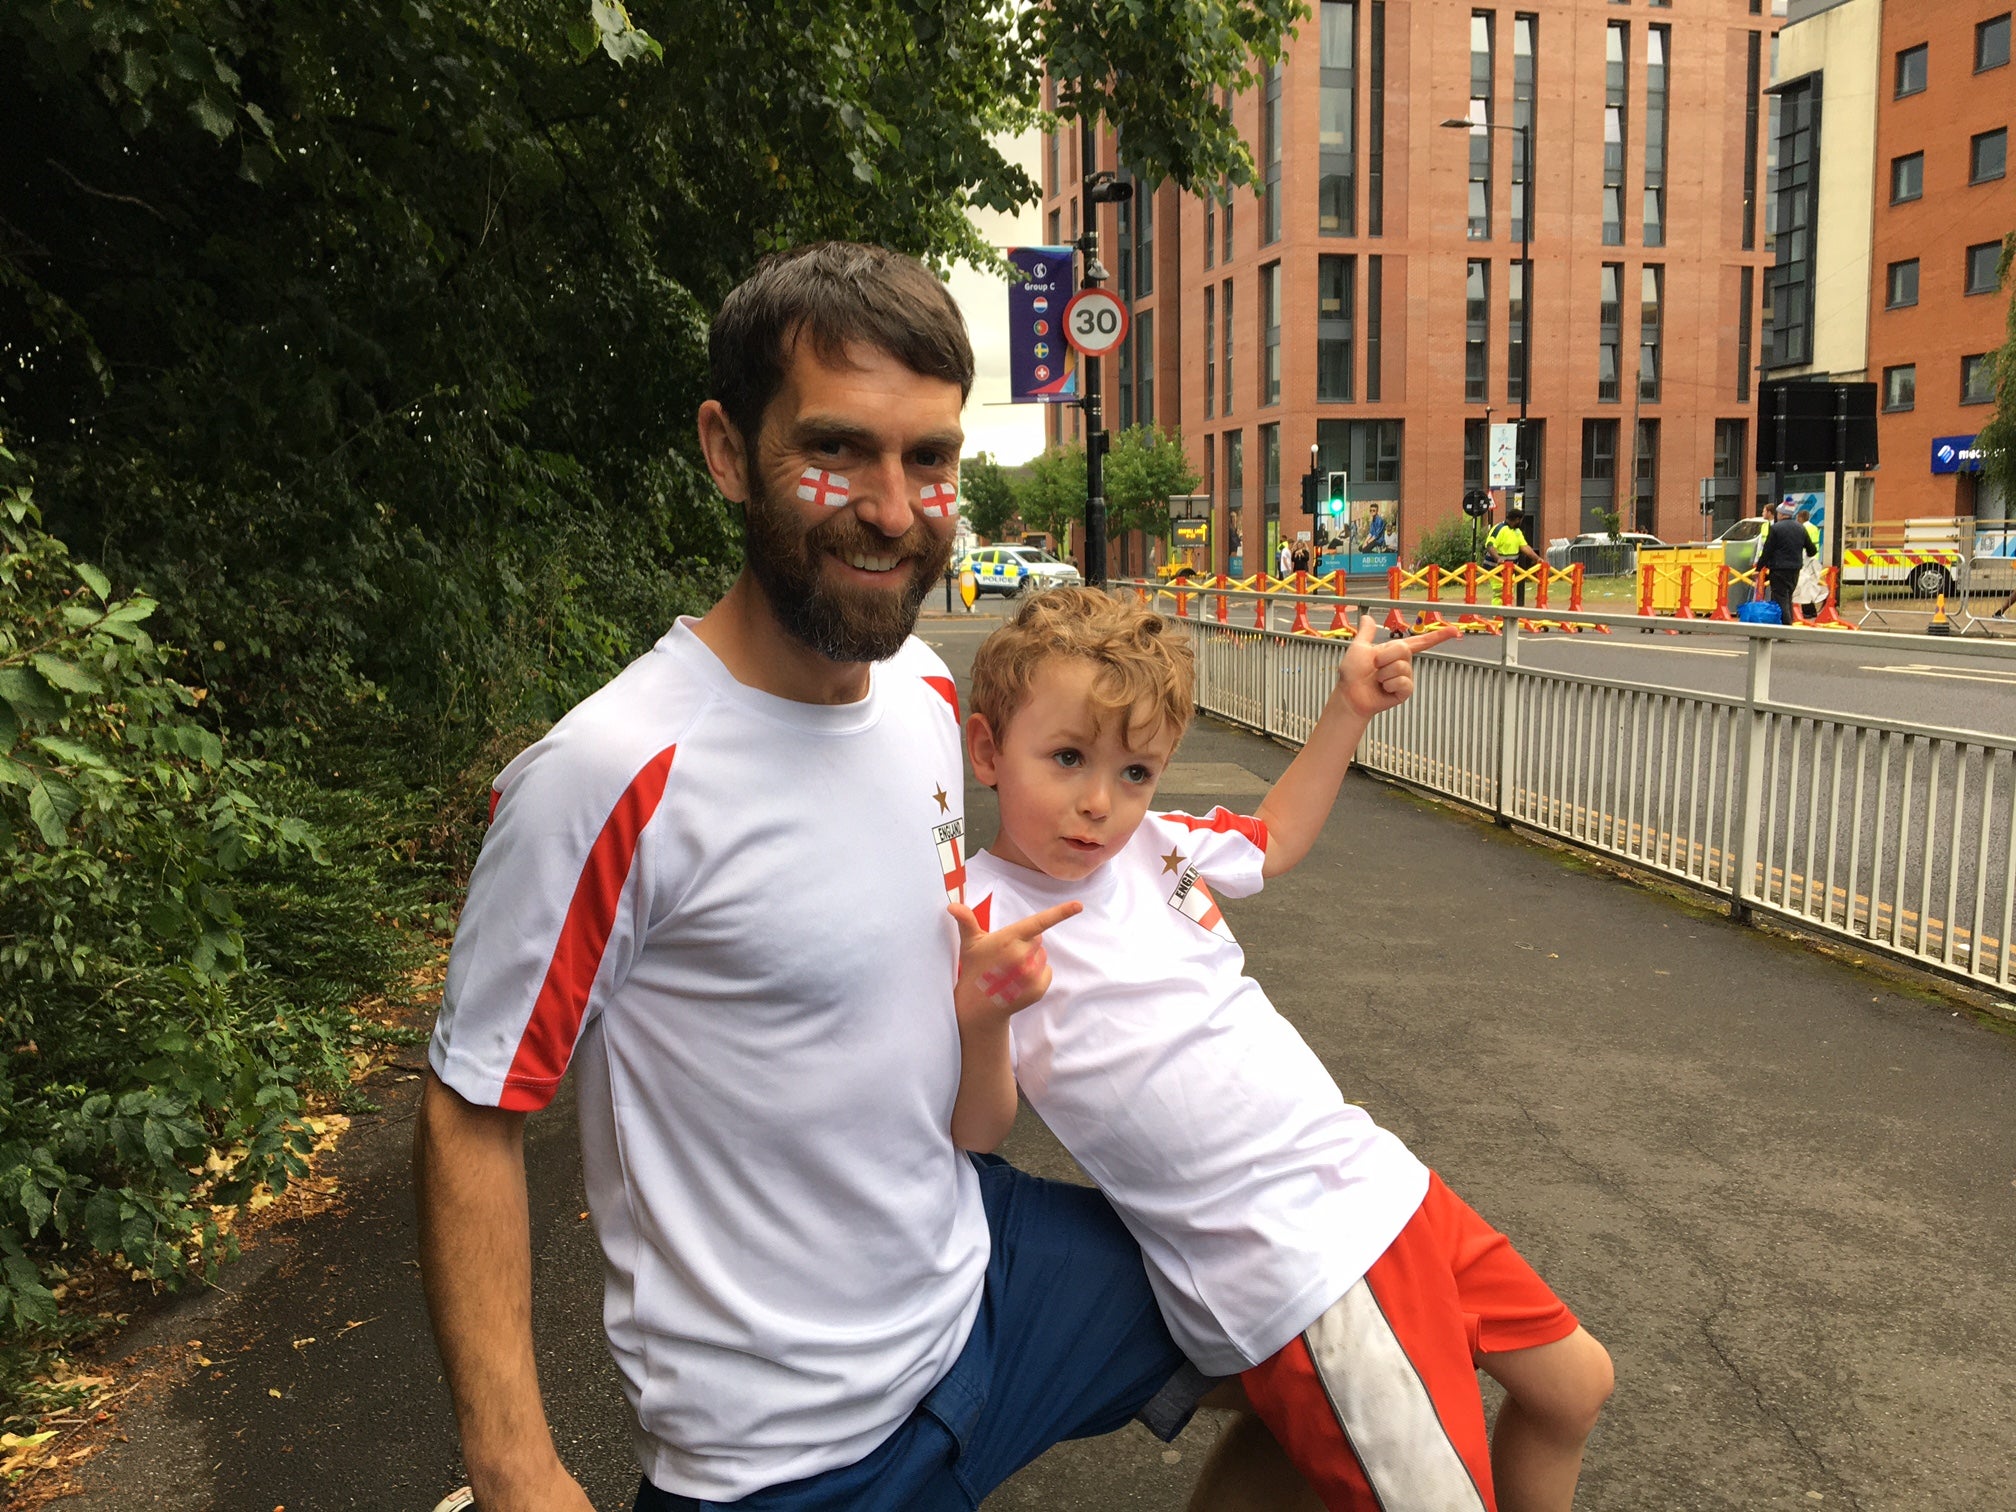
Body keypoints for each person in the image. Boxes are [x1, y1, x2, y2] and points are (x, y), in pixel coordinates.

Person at [415, 243, 1249, 1512]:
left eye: (930, 460)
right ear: (724, 448)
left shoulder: (920, 695)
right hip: (783, 1449)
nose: (893, 506)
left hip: (981, 1280)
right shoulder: (611, 771)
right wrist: (519, 1468)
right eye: (839, 450)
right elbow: (474, 1108)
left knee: (1330, 1351)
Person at [955, 589, 1614, 1511]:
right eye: (1067, 759)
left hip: (1377, 1181)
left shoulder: (1159, 850)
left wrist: (1347, 709)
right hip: (1296, 1260)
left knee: (1577, 1385)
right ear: (987, 749)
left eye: (1137, 773)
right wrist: (983, 1018)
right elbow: (977, 1130)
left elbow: (1274, 840)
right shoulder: (977, 919)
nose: (1100, 803)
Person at [1760, 500, 1816, 626]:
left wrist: (1759, 567)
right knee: (1788, 597)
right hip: (1795, 568)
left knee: (1780, 598)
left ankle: (1786, 627)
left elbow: (1767, 550)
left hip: (1778, 568)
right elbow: (1812, 550)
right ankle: (1786, 624)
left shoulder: (1775, 528)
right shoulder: (1800, 528)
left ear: (1781, 514)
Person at [1486, 509, 1542, 607]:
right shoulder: (1499, 529)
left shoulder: (1517, 532)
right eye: (1520, 520)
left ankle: (1505, 613)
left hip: (1510, 569)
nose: (1521, 523)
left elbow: (1524, 547)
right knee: (1500, 592)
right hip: (1496, 568)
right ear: (1517, 519)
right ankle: (1498, 615)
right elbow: (1490, 545)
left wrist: (1537, 558)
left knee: (1508, 592)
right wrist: (1498, 558)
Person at [1792, 506, 1826, 623]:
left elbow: (1802, 544)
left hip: (1805, 559)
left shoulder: (1802, 528)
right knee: (1810, 585)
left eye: (1797, 517)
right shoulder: (1814, 527)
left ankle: (1807, 612)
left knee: (1804, 587)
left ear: (1801, 518)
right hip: (1814, 560)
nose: (1796, 520)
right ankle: (1811, 611)